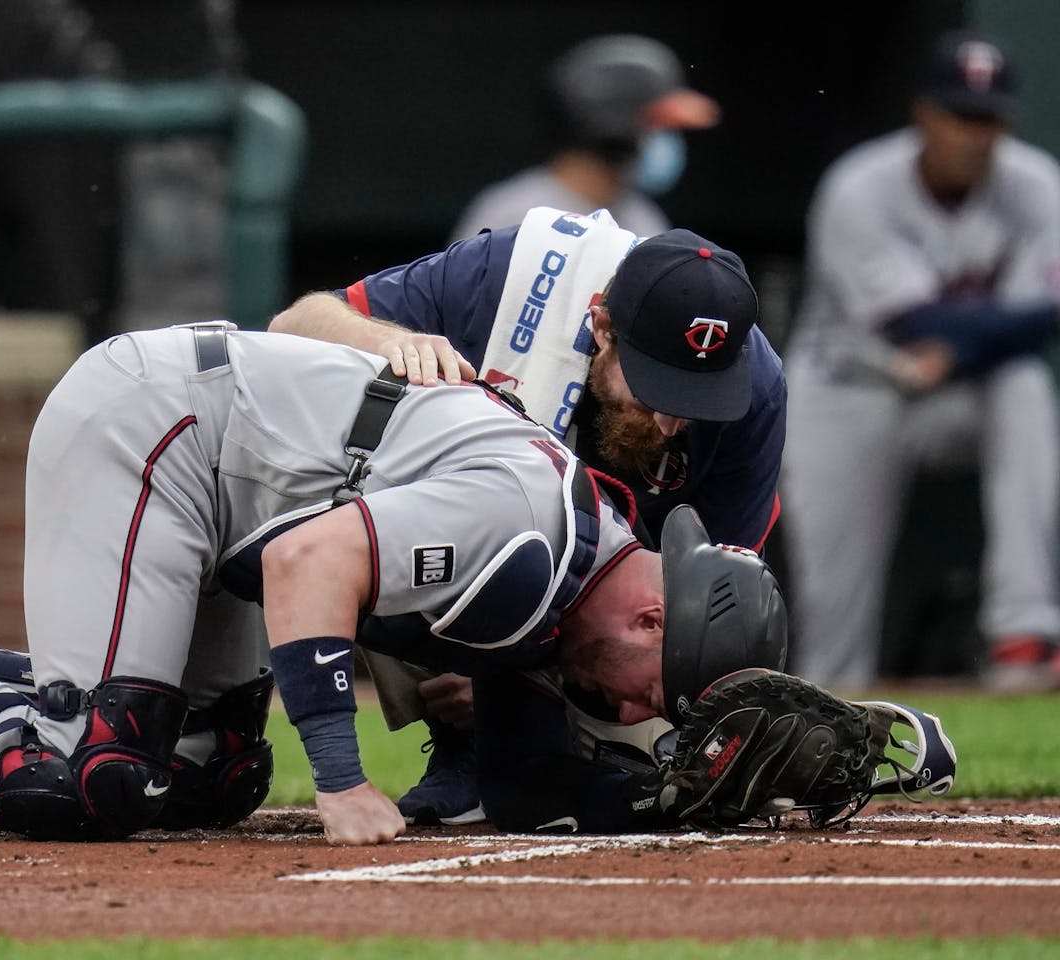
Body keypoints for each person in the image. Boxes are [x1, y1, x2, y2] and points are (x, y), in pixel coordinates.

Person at [0, 312, 787, 846]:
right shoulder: (534, 534)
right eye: (658, 680)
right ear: (649, 608)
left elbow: (532, 785)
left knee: (205, 779)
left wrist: (671, 794)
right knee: (86, 775)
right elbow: (315, 561)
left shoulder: (581, 576)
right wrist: (344, 776)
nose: (641, 709)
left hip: (234, 494)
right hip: (166, 429)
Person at [269, 208, 786, 824]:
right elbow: (292, 326)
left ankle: (538, 733)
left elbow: (715, 601)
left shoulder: (754, 389)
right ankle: (463, 743)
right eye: (657, 390)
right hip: (461, 548)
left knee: (671, 768)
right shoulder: (505, 278)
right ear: (602, 327)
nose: (673, 422)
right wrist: (389, 341)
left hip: (607, 604)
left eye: (698, 399)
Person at [782, 29, 1060, 695]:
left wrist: (963, 345)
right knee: (833, 638)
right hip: (844, 391)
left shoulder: (1035, 184)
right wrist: (986, 331)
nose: (973, 134)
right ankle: (828, 736)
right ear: (925, 115)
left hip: (949, 394)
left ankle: (1022, 632)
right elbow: (913, 322)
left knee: (1023, 385)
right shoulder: (860, 187)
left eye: (987, 119)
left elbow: (1046, 317)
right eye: (959, 115)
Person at [450, 33, 720, 243]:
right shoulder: (511, 214)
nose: (664, 140)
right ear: (612, 123)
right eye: (655, 125)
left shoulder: (643, 218)